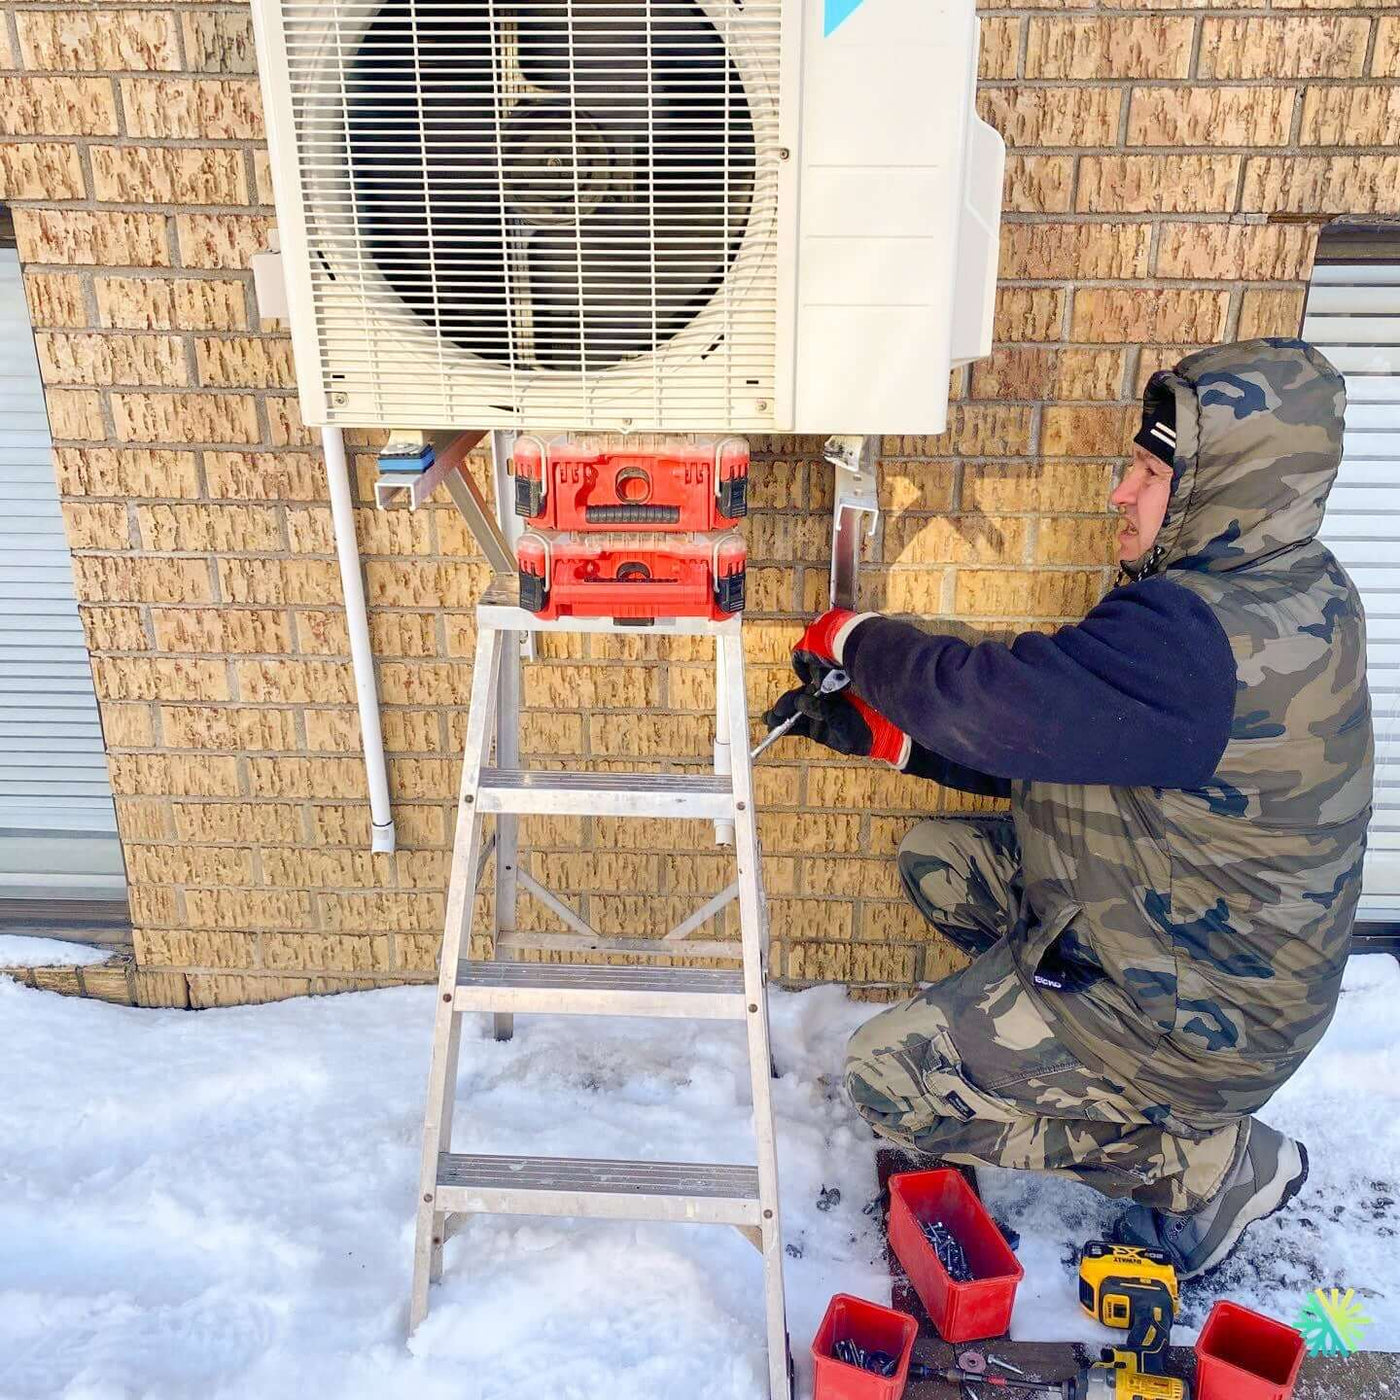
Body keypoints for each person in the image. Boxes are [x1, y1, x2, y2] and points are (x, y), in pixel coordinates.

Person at [765, 338, 1374, 1279]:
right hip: (1219, 951)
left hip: (1206, 1010)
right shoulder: (1288, 589)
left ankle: (1209, 1165)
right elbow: (1073, 741)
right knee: (943, 859)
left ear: (1223, 484)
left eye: (1145, 472)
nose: (1120, 495)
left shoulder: (1199, 634)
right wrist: (889, 738)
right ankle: (1048, 1043)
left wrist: (861, 637)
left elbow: (997, 703)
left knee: (887, 1075)